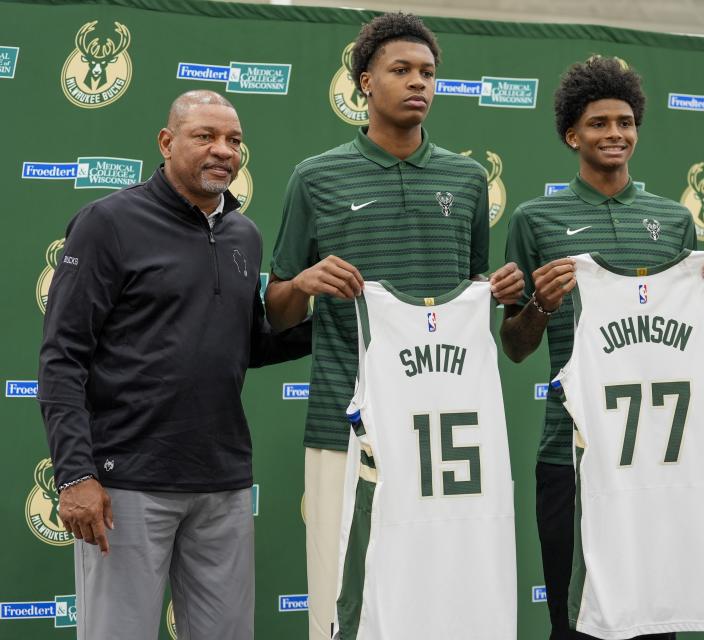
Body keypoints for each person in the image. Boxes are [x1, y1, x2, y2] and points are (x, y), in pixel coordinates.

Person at [264, 13, 524, 639]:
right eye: (401, 70)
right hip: (343, 424)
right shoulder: (316, 177)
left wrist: (503, 294)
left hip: (443, 435)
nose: (418, 83)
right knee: (341, 606)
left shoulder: (466, 182)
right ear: (363, 82)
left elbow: (468, 303)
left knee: (441, 604)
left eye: (428, 73)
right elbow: (276, 311)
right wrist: (301, 284)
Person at [37, 90, 311, 640]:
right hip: (125, 485)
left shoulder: (244, 234)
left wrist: (325, 322)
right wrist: (75, 474)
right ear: (166, 142)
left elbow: (249, 345)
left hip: (222, 482)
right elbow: (62, 356)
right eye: (204, 136)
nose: (223, 151)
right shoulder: (107, 223)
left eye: (234, 140)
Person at [500, 56, 704, 640]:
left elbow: (691, 340)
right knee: (574, 620)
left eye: (626, 122)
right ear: (571, 134)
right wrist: (542, 305)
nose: (615, 134)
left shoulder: (675, 221)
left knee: (655, 617)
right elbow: (514, 345)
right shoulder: (536, 220)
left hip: (660, 457)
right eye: (600, 123)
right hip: (570, 453)